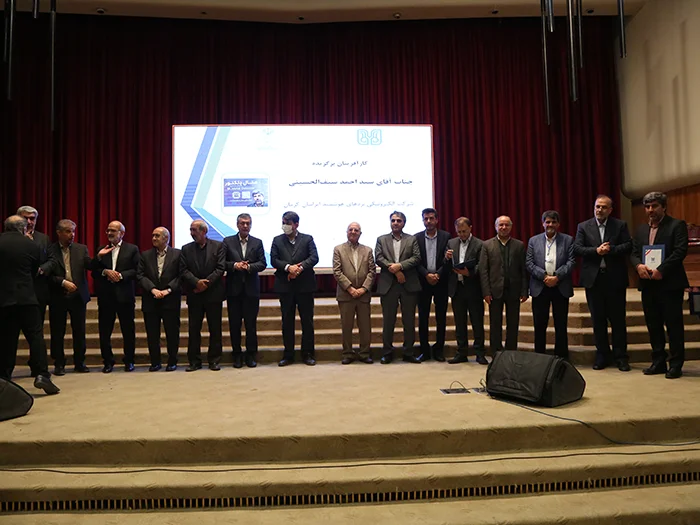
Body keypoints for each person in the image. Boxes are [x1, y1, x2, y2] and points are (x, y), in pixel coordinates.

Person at [630, 192, 689, 379]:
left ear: (663, 207)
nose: (650, 210)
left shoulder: (676, 225)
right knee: (653, 325)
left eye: (654, 206)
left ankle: (676, 364)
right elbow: (633, 252)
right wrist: (638, 266)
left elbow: (680, 251)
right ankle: (658, 361)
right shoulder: (641, 229)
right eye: (647, 207)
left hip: (670, 284)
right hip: (648, 284)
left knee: (673, 326)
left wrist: (662, 270)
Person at [0, 216, 59, 394]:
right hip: (27, 298)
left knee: (7, 339)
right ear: (23, 228)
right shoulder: (31, 245)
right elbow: (35, 271)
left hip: (4, 299)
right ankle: (42, 375)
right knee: (35, 337)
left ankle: (4, 378)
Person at [573, 195, 632, 371]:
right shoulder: (584, 226)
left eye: (604, 207)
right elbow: (577, 248)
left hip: (615, 279)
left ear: (610, 210)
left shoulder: (620, 225)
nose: (600, 210)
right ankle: (602, 355)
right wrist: (596, 251)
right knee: (598, 320)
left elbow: (628, 246)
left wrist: (611, 250)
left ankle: (621, 357)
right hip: (594, 280)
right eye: (597, 206)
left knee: (618, 320)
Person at [270, 211, 319, 366]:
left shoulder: (307, 239)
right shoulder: (277, 240)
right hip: (285, 287)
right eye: (283, 222)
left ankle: (308, 354)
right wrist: (288, 267)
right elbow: (274, 260)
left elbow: (314, 257)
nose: (284, 226)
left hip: (305, 286)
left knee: (307, 322)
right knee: (287, 322)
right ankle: (288, 354)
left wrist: (299, 268)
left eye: (288, 223)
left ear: (296, 224)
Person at [526, 211, 576, 360]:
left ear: (558, 224)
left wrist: (557, 277)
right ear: (543, 223)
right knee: (539, 325)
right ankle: (540, 357)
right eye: (547, 222)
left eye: (553, 222)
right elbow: (529, 263)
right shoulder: (533, 241)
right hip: (540, 287)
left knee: (561, 324)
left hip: (560, 287)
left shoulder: (568, 240)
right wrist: (544, 276)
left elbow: (571, 262)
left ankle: (561, 358)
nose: (550, 225)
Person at [92, 221, 140, 373]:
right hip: (106, 297)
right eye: (108, 230)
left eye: (113, 230)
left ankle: (129, 360)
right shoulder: (101, 249)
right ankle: (108, 361)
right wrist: (105, 271)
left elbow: (137, 271)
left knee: (128, 330)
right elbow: (94, 271)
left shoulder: (132, 249)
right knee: (104, 331)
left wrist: (120, 275)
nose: (109, 233)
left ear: (122, 233)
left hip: (125, 297)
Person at [46, 220, 92, 375]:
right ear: (58, 233)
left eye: (73, 231)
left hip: (78, 296)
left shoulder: (81, 249)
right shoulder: (50, 249)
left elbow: (90, 265)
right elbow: (47, 274)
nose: (71, 234)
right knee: (57, 332)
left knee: (79, 331)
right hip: (58, 296)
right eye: (67, 231)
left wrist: (99, 258)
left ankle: (80, 362)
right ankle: (59, 363)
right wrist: (62, 282)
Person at [375, 211, 422, 364]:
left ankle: (408, 352)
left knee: (409, 321)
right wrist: (395, 270)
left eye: (399, 221)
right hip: (388, 285)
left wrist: (400, 266)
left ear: (404, 223)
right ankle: (387, 352)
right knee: (388, 321)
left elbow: (416, 257)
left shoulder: (411, 239)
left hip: (408, 284)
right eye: (393, 220)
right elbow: (379, 258)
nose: (395, 223)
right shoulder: (381, 239)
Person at [180, 220, 226, 371]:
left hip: (213, 294)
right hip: (195, 294)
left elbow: (220, 268)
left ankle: (214, 360)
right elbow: (183, 270)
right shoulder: (186, 248)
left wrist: (206, 283)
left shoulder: (218, 246)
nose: (192, 233)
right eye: (191, 230)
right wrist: (196, 282)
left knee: (215, 329)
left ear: (204, 231)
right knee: (194, 329)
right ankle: (194, 361)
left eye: (194, 230)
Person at [479, 216, 529, 354]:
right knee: (495, 323)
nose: (503, 227)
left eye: (507, 225)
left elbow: (523, 270)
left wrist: (524, 291)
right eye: (501, 225)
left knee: (513, 323)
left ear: (511, 227)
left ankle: (511, 353)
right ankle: (496, 353)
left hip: (514, 290)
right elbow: (483, 270)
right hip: (494, 291)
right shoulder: (487, 245)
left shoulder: (519, 245)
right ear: (495, 227)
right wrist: (486, 292)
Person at [223, 213, 266, 368]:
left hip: (251, 290)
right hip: (233, 290)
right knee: (234, 325)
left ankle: (251, 355)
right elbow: (222, 263)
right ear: (237, 224)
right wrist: (235, 265)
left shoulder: (257, 242)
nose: (245, 226)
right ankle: (237, 355)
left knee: (250, 325)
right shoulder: (227, 241)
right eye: (242, 223)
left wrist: (248, 267)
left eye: (248, 223)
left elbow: (262, 263)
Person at [137, 227, 182, 372]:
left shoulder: (178, 254)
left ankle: (172, 361)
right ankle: (155, 362)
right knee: (152, 334)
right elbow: (140, 275)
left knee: (172, 333)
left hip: (170, 299)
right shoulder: (145, 255)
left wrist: (168, 290)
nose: (154, 238)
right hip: (151, 299)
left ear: (166, 238)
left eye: (157, 236)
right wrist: (153, 289)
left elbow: (181, 275)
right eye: (153, 235)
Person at [332, 222, 376, 364]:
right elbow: (337, 271)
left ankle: (364, 353)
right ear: (346, 232)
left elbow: (372, 272)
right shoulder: (338, 249)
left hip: (363, 295)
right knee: (346, 326)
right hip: (346, 295)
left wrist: (363, 289)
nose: (353, 232)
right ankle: (347, 353)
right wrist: (350, 288)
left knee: (365, 326)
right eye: (350, 229)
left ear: (360, 233)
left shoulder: (368, 250)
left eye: (356, 230)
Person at [444, 217, 486, 364]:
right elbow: (445, 265)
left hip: (473, 288)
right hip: (457, 288)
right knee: (459, 322)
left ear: (470, 228)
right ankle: (461, 352)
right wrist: (446, 258)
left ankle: (479, 353)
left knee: (477, 321)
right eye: (459, 232)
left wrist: (470, 273)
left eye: (464, 231)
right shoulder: (451, 243)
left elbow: (482, 265)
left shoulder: (479, 244)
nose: (462, 234)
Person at [414, 208, 451, 362]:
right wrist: (426, 275)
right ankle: (424, 351)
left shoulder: (446, 236)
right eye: (426, 219)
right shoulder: (416, 238)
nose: (428, 221)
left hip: (441, 282)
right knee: (423, 317)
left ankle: (439, 350)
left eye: (431, 218)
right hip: (423, 282)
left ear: (436, 220)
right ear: (423, 220)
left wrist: (438, 274)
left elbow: (448, 259)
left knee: (441, 317)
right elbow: (415, 260)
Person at [17, 206, 51, 321]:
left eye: (32, 219)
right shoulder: (9, 238)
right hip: (16, 289)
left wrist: (42, 269)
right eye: (25, 218)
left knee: (37, 323)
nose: (28, 222)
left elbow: (52, 260)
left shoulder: (44, 238)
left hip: (37, 288)